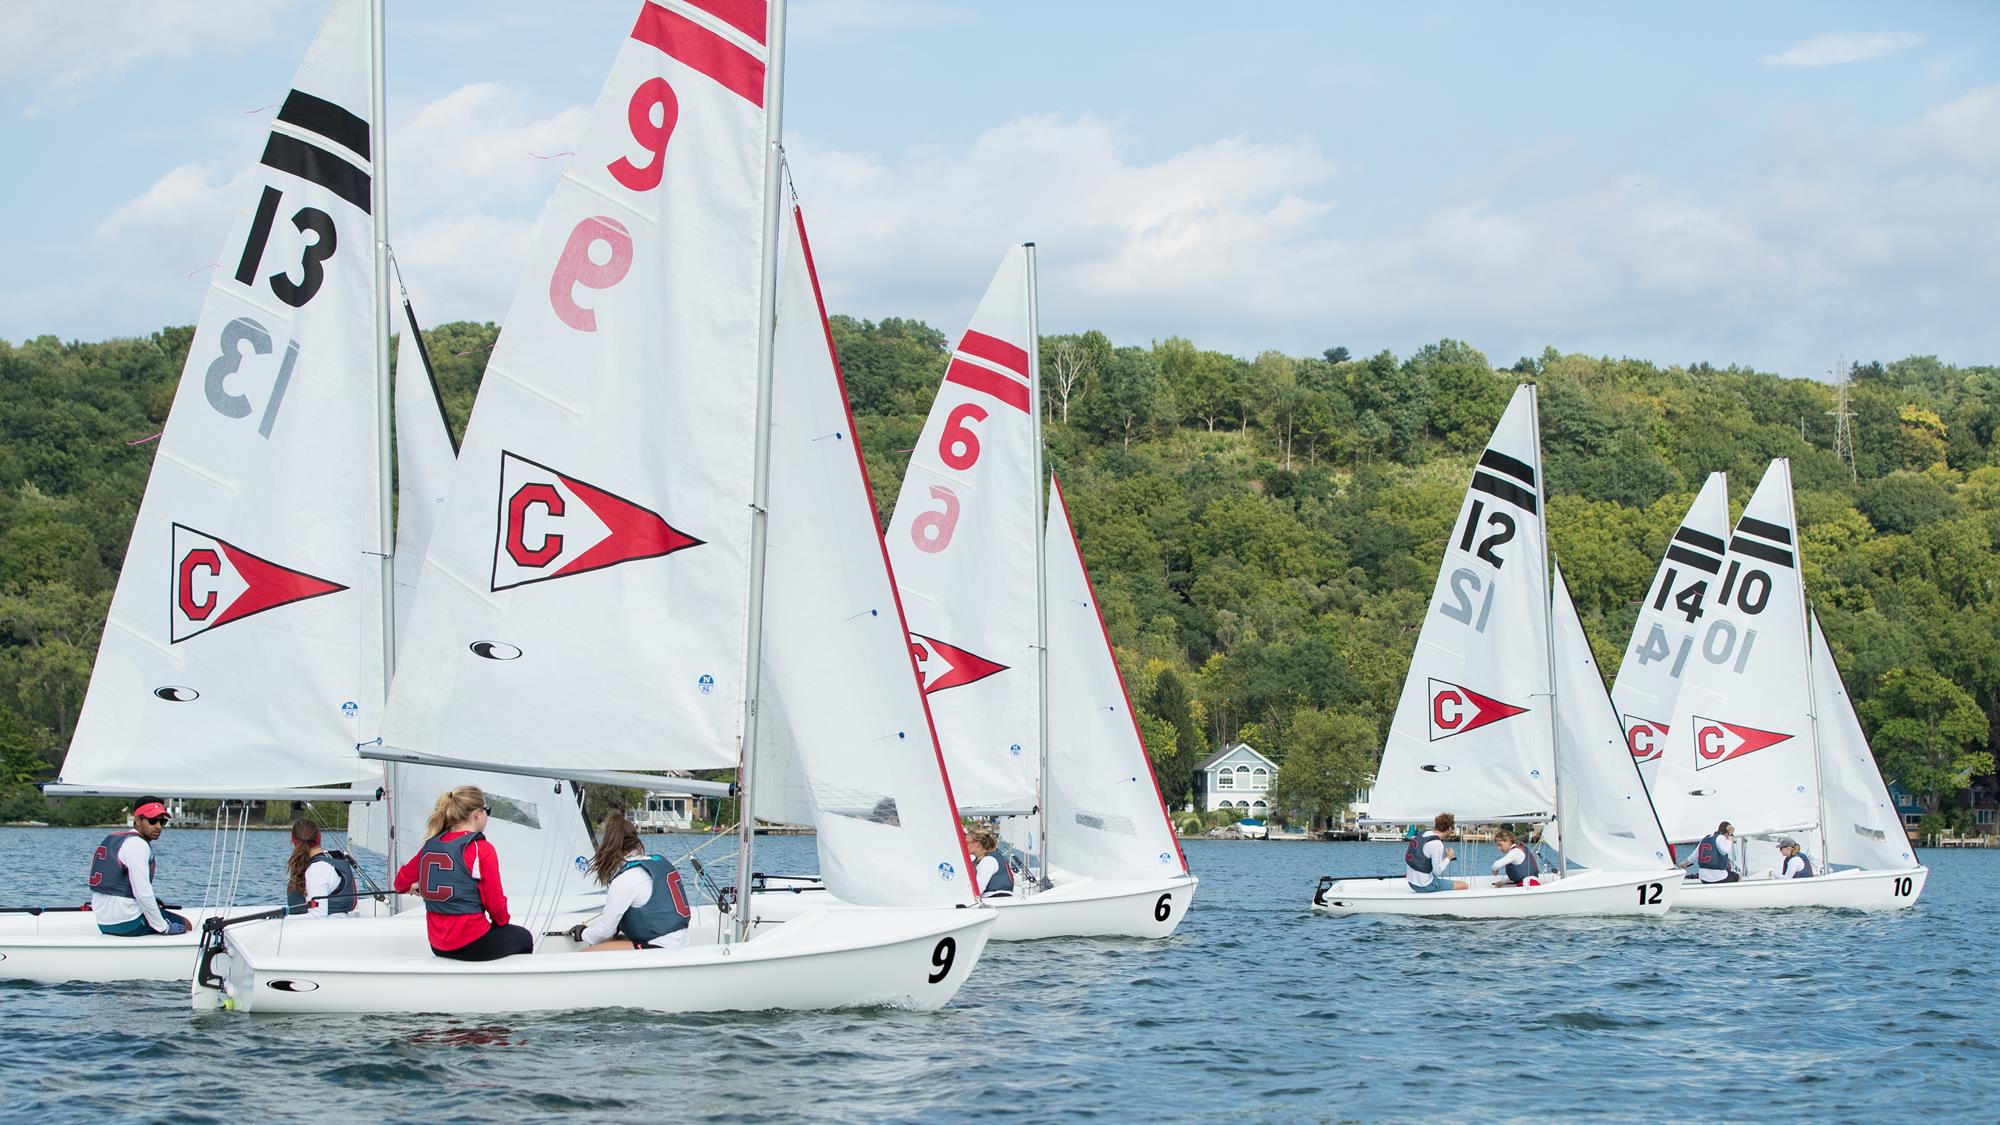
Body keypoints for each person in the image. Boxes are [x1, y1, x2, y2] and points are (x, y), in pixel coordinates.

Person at [393, 786, 534, 961]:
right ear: (477, 814)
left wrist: (416, 885)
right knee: (524, 938)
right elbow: (495, 904)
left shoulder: (431, 846)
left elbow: (400, 884)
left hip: (438, 945)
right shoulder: (480, 848)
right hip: (471, 942)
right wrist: (501, 925)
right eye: (487, 811)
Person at [564, 810, 692, 952]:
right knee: (608, 942)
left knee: (583, 954)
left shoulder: (626, 878)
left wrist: (582, 934)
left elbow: (604, 932)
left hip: (661, 947)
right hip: (679, 941)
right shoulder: (657, 862)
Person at [89, 798, 192, 937]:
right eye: (152, 821)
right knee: (186, 924)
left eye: (162, 822)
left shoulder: (113, 838)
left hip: (103, 923)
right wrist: (163, 928)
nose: (158, 826)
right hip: (128, 923)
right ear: (138, 820)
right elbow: (143, 893)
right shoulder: (138, 845)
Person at [285, 818, 359, 919]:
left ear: (293, 841)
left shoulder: (317, 869)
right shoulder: (330, 860)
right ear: (319, 837)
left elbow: (318, 915)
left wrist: (284, 918)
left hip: (328, 927)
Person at [1405, 813, 1468, 892]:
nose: (1452, 831)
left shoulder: (1423, 834)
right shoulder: (1437, 843)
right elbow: (1437, 872)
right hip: (1424, 885)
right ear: (1449, 828)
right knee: (1464, 885)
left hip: (1411, 882)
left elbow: (1422, 857)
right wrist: (1449, 857)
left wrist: (1444, 857)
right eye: (1452, 828)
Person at [968, 827, 1014, 897]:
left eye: (966, 842)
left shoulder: (988, 860)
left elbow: (978, 889)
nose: (964, 845)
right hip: (1000, 899)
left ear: (977, 844)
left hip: (995, 899)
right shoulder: (989, 857)